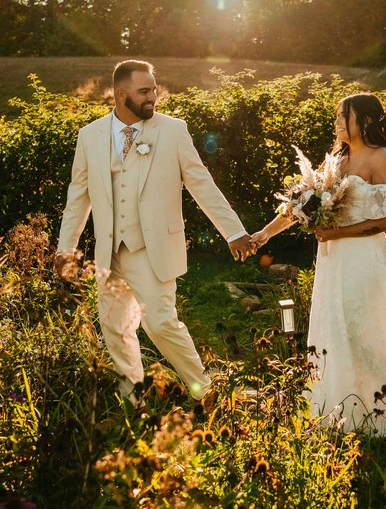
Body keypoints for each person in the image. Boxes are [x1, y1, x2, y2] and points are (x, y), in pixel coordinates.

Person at [57, 60, 253, 404]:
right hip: (109, 251)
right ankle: (134, 400)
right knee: (115, 329)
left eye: (154, 89)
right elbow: (78, 196)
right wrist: (65, 249)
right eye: (144, 91)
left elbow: (200, 184)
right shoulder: (90, 136)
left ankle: (206, 392)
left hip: (153, 248)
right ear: (121, 94)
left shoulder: (173, 130)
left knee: (161, 323)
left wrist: (232, 230)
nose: (153, 97)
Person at [250, 93, 386, 432]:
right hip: (332, 261)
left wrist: (341, 234)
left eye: (345, 115)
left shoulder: (381, 157)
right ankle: (343, 412)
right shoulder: (336, 161)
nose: (338, 121)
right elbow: (300, 206)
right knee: (337, 328)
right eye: (338, 116)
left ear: (366, 120)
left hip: (363, 256)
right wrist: (264, 235)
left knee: (366, 328)